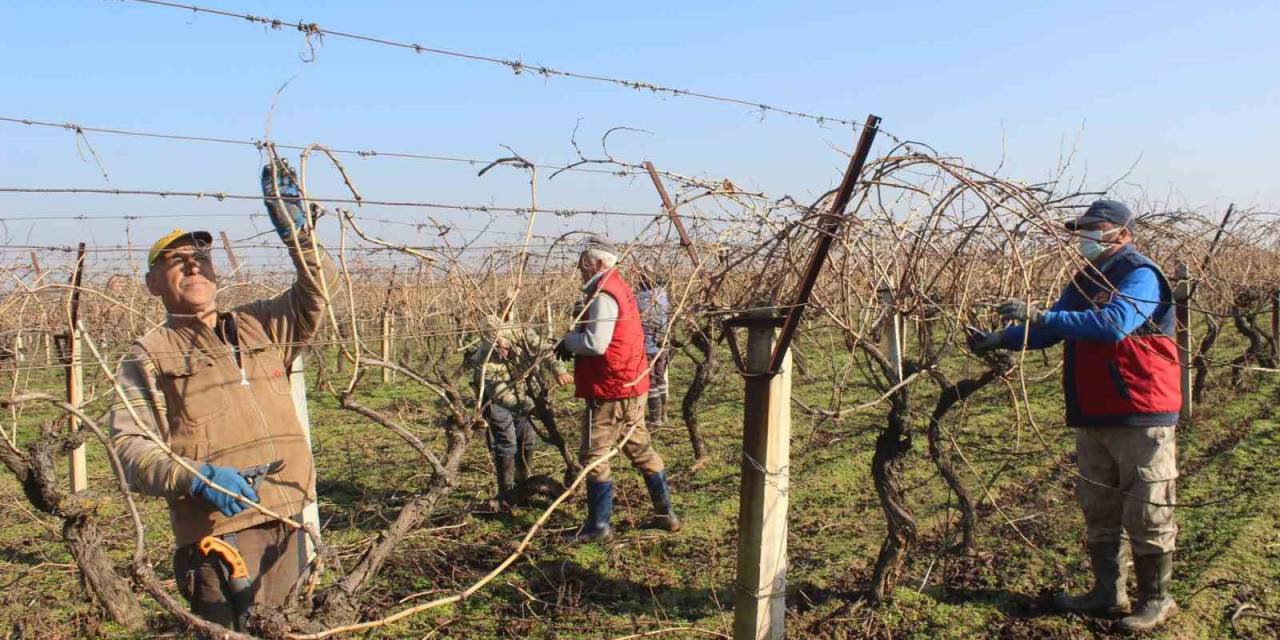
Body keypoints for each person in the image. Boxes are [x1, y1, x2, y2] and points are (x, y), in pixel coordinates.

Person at [107, 159, 337, 631]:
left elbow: (319, 291)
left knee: (289, 628)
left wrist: (300, 238)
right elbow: (129, 449)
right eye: (177, 261)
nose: (194, 265)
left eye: (202, 258)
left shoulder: (260, 323)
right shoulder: (149, 355)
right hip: (217, 536)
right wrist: (196, 477)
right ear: (153, 284)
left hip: (289, 518)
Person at [971, 200, 1181, 633]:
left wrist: (1040, 313)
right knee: (1099, 507)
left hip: (1140, 410)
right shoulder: (1085, 278)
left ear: (1121, 233)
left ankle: (1157, 601)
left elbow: (1112, 324)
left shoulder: (1140, 274)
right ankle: (1108, 593)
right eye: (1081, 229)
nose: (1084, 236)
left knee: (1146, 509)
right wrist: (1000, 339)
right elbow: (1050, 329)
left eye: (1093, 228)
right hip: (1093, 410)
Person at [555, 237, 680, 542]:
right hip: (630, 384)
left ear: (598, 263)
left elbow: (596, 344)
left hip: (611, 389)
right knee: (639, 448)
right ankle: (666, 514)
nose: (579, 268)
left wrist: (568, 341)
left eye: (584, 262)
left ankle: (599, 526)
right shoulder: (620, 286)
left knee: (594, 456)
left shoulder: (603, 294)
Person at [467, 314, 572, 509]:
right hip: (499, 401)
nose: (501, 348)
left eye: (503, 343)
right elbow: (501, 395)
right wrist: (528, 406)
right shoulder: (483, 359)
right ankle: (507, 493)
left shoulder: (521, 334)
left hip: (527, 395)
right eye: (495, 345)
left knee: (527, 439)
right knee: (506, 442)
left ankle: (523, 483)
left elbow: (547, 351)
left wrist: (559, 370)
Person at [634, 268, 671, 427]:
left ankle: (655, 419)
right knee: (660, 377)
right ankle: (664, 414)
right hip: (661, 343)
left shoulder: (639, 299)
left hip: (647, 346)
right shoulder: (662, 295)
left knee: (651, 382)